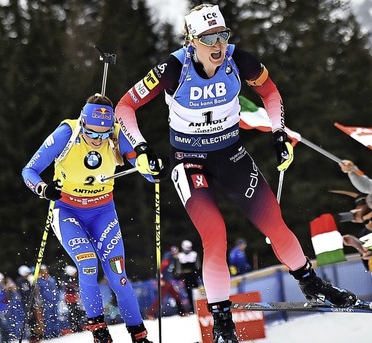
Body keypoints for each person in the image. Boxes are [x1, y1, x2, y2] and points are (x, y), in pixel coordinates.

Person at [113, 4, 357, 342]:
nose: (217, 45)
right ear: (191, 41)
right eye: (208, 38)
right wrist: (139, 148)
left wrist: (278, 133)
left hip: (230, 154)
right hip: (188, 158)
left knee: (275, 222)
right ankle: (222, 321)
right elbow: (125, 106)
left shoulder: (239, 60)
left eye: (222, 36)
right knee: (214, 235)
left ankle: (312, 284)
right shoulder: (172, 67)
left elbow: (270, 92)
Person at [21, 94, 153, 343]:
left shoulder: (115, 133)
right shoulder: (67, 133)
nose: (97, 140)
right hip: (67, 211)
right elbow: (29, 170)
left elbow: (142, 165)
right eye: (92, 133)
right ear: (83, 123)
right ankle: (99, 331)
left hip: (103, 211)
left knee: (118, 274)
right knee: (88, 264)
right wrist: (43, 189)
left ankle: (138, 334)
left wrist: (151, 169)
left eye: (103, 135)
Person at [148, 246, 186, 319]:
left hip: (168, 282)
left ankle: (182, 312)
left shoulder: (171, 259)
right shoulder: (168, 259)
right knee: (160, 298)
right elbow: (161, 268)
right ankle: (150, 314)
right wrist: (160, 279)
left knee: (176, 295)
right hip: (164, 282)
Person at [178, 240, 201, 314]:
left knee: (193, 292)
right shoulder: (182, 256)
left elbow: (178, 270)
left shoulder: (192, 254)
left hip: (189, 276)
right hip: (191, 276)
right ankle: (196, 308)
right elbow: (198, 266)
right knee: (193, 292)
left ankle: (195, 308)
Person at [63, 265, 85, 333]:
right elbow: (70, 289)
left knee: (76, 312)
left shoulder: (72, 279)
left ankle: (77, 325)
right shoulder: (68, 280)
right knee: (73, 313)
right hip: (70, 298)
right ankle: (75, 327)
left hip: (74, 298)